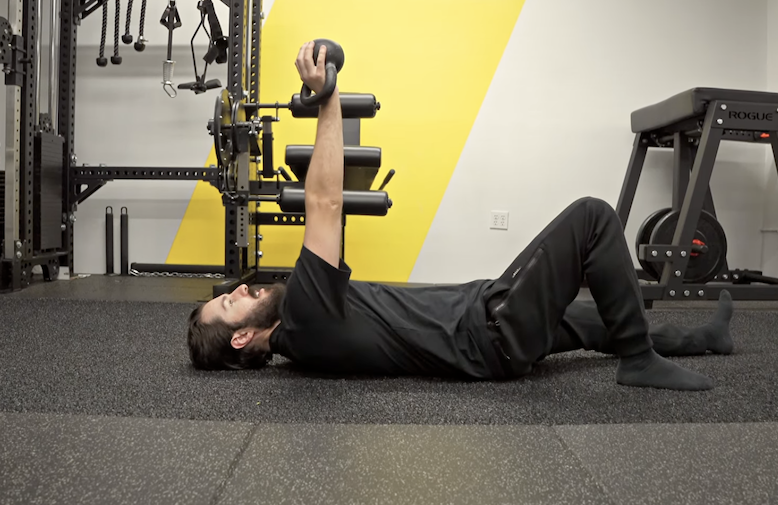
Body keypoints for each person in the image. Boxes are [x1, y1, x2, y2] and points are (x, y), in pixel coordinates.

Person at [186, 41, 733, 390]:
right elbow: (325, 204)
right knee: (592, 218)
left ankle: (700, 340)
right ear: (241, 339)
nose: (237, 291)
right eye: (228, 306)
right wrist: (328, 98)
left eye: (228, 293)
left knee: (588, 321)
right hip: (491, 332)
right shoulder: (303, 315)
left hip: (485, 312)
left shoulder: (303, 336)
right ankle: (638, 361)